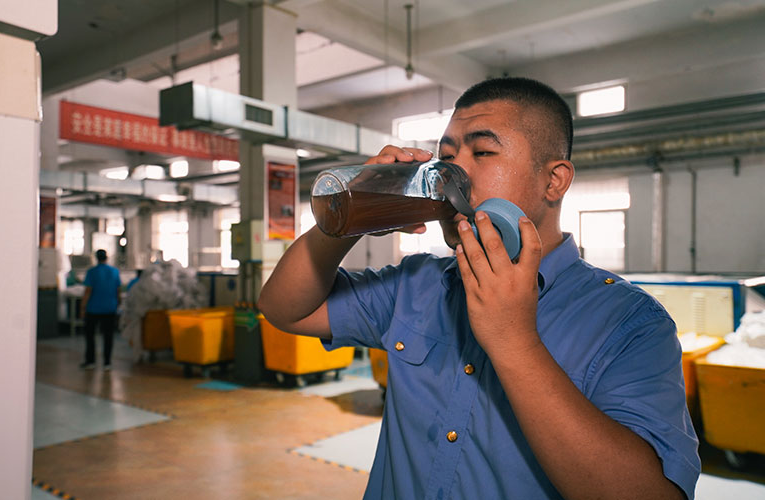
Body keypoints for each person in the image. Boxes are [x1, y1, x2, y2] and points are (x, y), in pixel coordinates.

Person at [258, 77, 700, 499]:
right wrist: (350, 214)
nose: (453, 174)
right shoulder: (417, 284)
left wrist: (514, 341)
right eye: (446, 157)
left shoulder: (631, 323)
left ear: (554, 180)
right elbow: (284, 309)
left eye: (483, 152)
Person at [80, 249, 121, 371]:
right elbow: (118, 290)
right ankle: (107, 362)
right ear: (106, 258)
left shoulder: (92, 272)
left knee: (90, 336)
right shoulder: (114, 272)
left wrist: (82, 307)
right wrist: (119, 304)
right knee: (108, 336)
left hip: (93, 309)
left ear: (96, 258)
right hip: (110, 308)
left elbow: (88, 291)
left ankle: (90, 361)